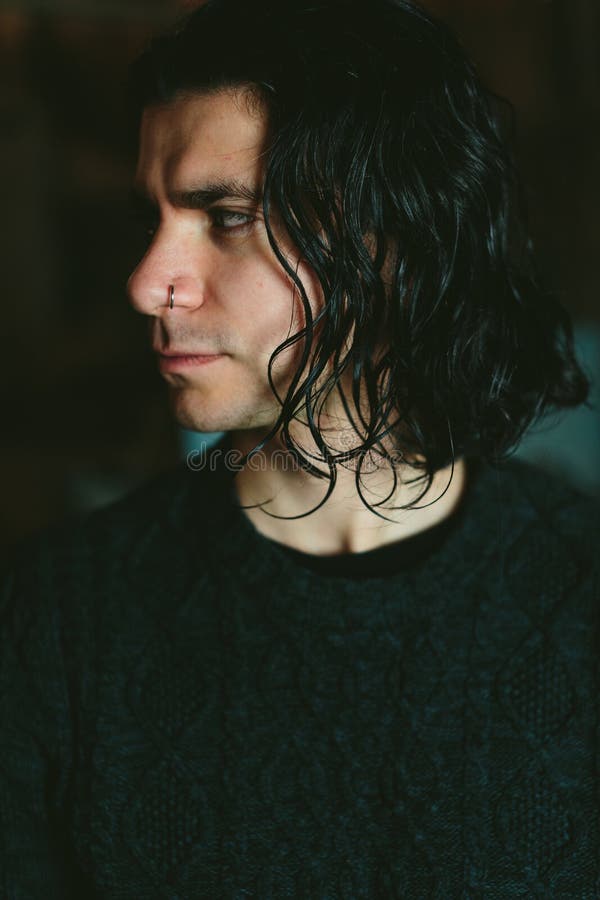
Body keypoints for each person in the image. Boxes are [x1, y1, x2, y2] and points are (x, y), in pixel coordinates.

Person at [1, 0, 598, 896]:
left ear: (393, 240)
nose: (145, 282)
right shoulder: (57, 617)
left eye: (227, 215)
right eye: (152, 217)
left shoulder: (581, 591)